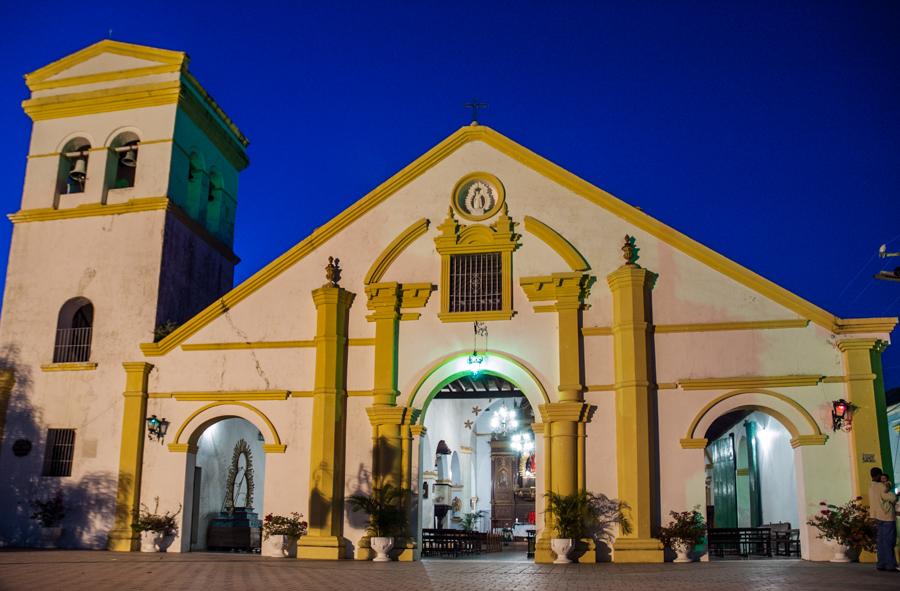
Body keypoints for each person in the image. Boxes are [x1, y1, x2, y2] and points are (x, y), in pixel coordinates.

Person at [869, 467, 899, 572]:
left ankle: (881, 564)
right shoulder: (881, 486)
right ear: (878, 476)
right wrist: (894, 491)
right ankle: (890, 565)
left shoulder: (871, 487)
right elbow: (893, 498)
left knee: (880, 542)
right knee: (889, 541)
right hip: (887, 517)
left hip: (876, 516)